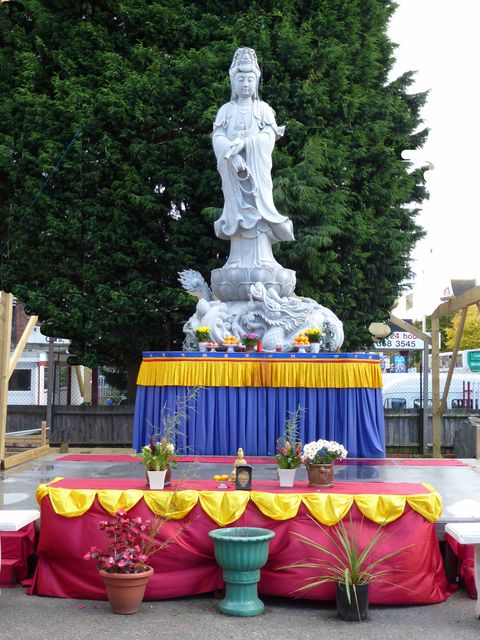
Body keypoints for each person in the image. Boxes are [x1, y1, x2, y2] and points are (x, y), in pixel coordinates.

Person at [213, 47, 294, 269]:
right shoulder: (225, 111)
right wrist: (232, 155)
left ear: (256, 81)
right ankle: (237, 258)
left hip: (256, 172)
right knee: (237, 209)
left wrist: (246, 144)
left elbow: (268, 136)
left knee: (258, 207)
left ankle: (263, 258)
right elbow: (218, 137)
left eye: (250, 79)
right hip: (234, 173)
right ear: (233, 82)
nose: (246, 84)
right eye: (241, 79)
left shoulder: (263, 109)